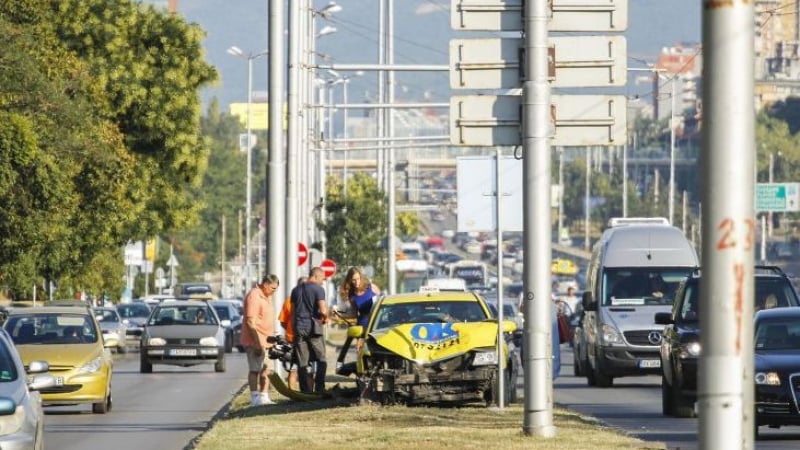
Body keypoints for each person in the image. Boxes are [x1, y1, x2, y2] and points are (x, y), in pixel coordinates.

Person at [241, 274, 280, 407]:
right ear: (266, 285)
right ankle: (255, 397)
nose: (275, 291)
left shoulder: (267, 296)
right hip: (255, 341)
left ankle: (264, 396)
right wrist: (257, 343)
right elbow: (250, 322)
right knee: (255, 370)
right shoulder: (254, 296)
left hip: (267, 341)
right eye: (273, 288)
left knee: (267, 370)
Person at [290, 267, 329, 394]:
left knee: (302, 362)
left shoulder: (295, 290)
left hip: (299, 329)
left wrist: (295, 330)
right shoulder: (318, 289)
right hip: (314, 329)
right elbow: (323, 310)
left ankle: (305, 390)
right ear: (316, 276)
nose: (323, 282)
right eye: (322, 279)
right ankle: (319, 388)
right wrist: (326, 318)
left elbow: (292, 313)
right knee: (321, 358)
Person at [340, 266, 381, 352]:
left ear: (361, 278)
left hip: (376, 325)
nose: (356, 282)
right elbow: (354, 313)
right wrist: (341, 315)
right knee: (361, 352)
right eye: (353, 280)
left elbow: (382, 301)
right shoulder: (351, 295)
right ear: (350, 280)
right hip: (362, 327)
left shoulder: (371, 287)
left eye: (358, 279)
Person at [278, 276, 307, 391]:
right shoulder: (289, 301)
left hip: (307, 340)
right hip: (292, 340)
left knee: (308, 370)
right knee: (293, 369)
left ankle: (309, 392)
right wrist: (291, 331)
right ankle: (293, 393)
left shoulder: (312, 300)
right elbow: (283, 321)